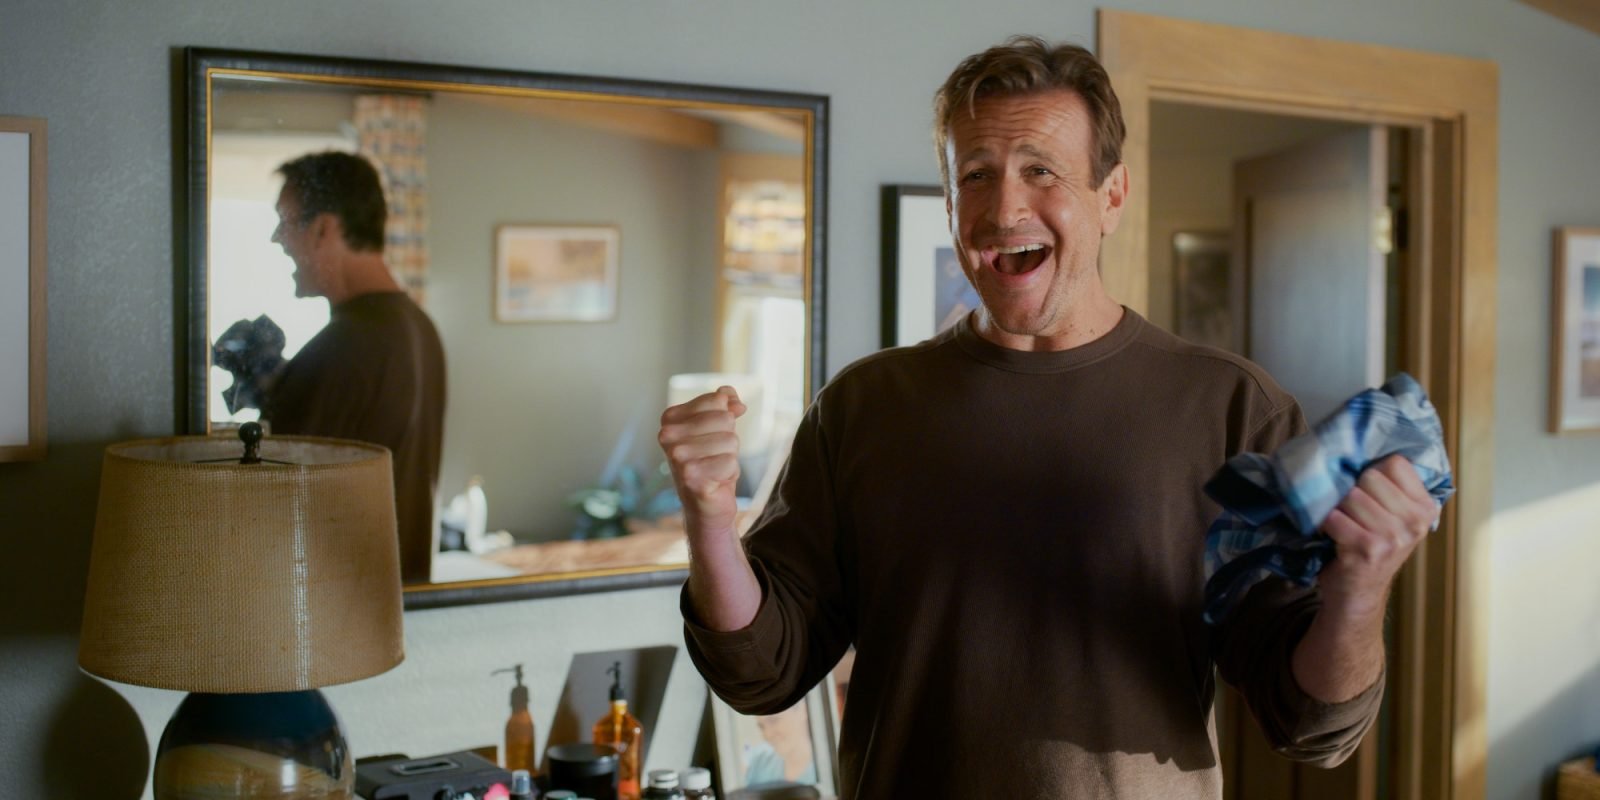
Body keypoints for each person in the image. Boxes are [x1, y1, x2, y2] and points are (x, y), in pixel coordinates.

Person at [658, 36, 1443, 799]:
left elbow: (1311, 725)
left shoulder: (1231, 408)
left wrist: (1360, 587)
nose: (1005, 207)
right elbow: (762, 673)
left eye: (1041, 170)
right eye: (976, 174)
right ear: (951, 203)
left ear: (1112, 196)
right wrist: (711, 519)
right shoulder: (863, 407)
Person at [263, 151, 447, 584]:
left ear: (323, 229)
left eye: (285, 222)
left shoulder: (344, 348)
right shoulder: (420, 328)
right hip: (395, 600)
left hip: (336, 608)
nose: (276, 238)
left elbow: (274, 508)